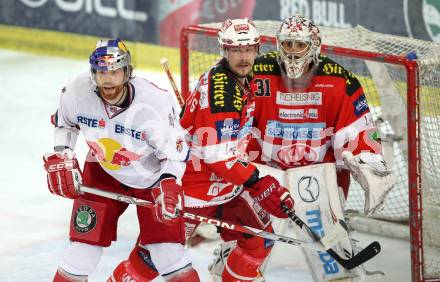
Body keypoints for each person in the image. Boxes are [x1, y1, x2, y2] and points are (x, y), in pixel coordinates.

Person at [247, 15, 395, 280]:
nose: (291, 52)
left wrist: (371, 167)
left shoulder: (340, 81)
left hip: (316, 175)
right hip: (266, 170)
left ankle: (339, 272)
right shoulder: (256, 73)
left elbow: (358, 132)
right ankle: (236, 269)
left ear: (314, 46)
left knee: (331, 249)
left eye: (298, 45)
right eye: (287, 44)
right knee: (250, 238)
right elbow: (235, 121)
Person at [43, 38, 200, 282]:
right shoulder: (76, 91)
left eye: (114, 72)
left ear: (127, 71)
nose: (108, 79)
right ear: (93, 73)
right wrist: (63, 155)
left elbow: (174, 155)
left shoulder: (154, 102)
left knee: (168, 254)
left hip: (152, 179)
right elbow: (66, 125)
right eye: (101, 72)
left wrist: (169, 183)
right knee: (81, 253)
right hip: (102, 171)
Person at [179, 18, 295, 282]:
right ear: (224, 51)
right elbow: (216, 155)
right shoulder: (224, 93)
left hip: (227, 185)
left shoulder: (242, 76)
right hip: (192, 187)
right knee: (155, 257)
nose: (242, 57)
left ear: (257, 49)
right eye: (235, 50)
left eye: (247, 50)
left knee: (259, 242)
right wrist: (258, 181)